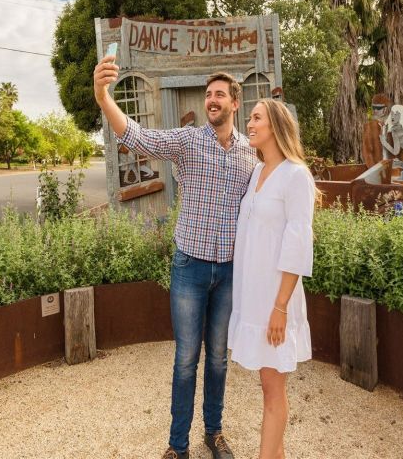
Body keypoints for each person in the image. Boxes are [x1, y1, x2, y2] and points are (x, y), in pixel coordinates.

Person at [93, 52, 258, 459]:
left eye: (220, 94)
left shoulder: (250, 155)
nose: (212, 100)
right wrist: (103, 97)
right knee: (187, 358)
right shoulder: (188, 142)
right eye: (208, 95)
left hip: (229, 273)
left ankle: (214, 433)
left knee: (218, 358)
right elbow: (137, 137)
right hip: (190, 268)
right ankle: (177, 446)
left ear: (235, 103)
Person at [227, 99, 315, 459]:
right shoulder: (257, 173)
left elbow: (297, 244)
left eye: (256, 117)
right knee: (267, 385)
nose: (249, 122)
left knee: (273, 389)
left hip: (277, 300)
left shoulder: (296, 175)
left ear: (276, 125)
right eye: (249, 117)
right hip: (255, 296)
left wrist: (280, 307)